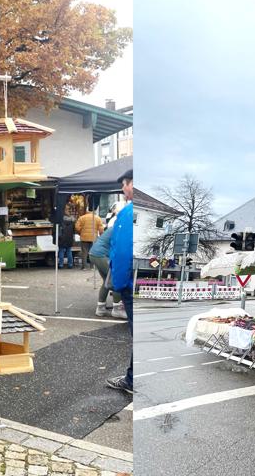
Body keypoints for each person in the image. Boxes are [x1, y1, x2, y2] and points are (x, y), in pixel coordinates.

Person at [106, 169, 141, 394]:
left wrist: (118, 284)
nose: (123, 189)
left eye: (125, 184)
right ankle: (133, 378)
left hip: (129, 283)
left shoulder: (128, 212)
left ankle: (131, 380)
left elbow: (121, 251)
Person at [88, 203, 123, 318]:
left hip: (95, 253)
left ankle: (101, 308)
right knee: (116, 280)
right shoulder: (120, 229)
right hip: (101, 255)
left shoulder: (116, 227)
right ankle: (117, 309)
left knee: (106, 281)